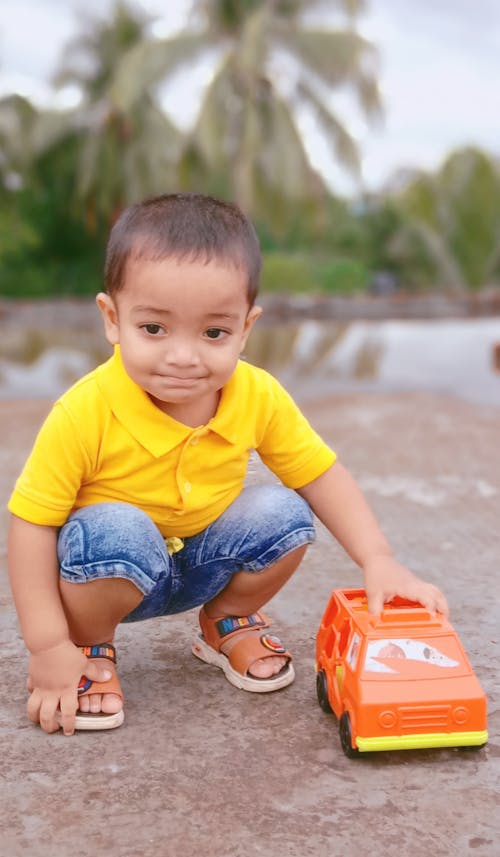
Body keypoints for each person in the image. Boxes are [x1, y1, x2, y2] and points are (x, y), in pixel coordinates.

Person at [7, 192, 448, 737]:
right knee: (118, 530)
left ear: (246, 327)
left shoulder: (257, 394)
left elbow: (320, 474)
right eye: (154, 329)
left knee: (285, 512)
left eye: (214, 333)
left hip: (201, 564)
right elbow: (32, 523)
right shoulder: (83, 411)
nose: (185, 356)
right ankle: (88, 646)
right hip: (105, 574)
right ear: (112, 319)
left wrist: (378, 559)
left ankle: (225, 621)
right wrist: (46, 643)